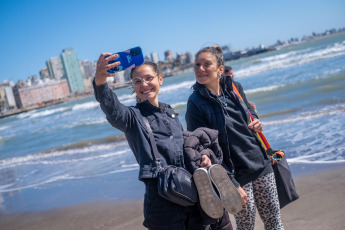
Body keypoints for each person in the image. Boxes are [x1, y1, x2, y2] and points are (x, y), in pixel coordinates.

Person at [93, 53, 209, 230]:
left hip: (190, 192)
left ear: (160, 79)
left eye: (149, 78)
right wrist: (101, 82)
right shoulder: (132, 117)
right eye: (138, 81)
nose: (144, 85)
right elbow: (112, 109)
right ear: (133, 86)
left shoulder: (170, 113)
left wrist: (201, 159)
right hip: (162, 202)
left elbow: (183, 149)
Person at [185, 46, 284, 230]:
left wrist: (256, 122)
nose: (201, 69)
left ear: (220, 69)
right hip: (235, 174)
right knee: (245, 227)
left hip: (261, 163)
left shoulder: (235, 87)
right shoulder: (195, 103)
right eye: (197, 65)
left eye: (207, 64)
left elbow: (250, 111)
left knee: (274, 223)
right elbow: (203, 148)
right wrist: (230, 183)